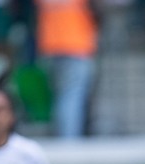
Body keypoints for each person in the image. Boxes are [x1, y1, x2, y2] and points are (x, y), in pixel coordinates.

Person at [34, 0, 99, 138]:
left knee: (62, 96)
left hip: (50, 45)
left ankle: (64, 136)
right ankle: (68, 140)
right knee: (71, 96)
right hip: (76, 44)